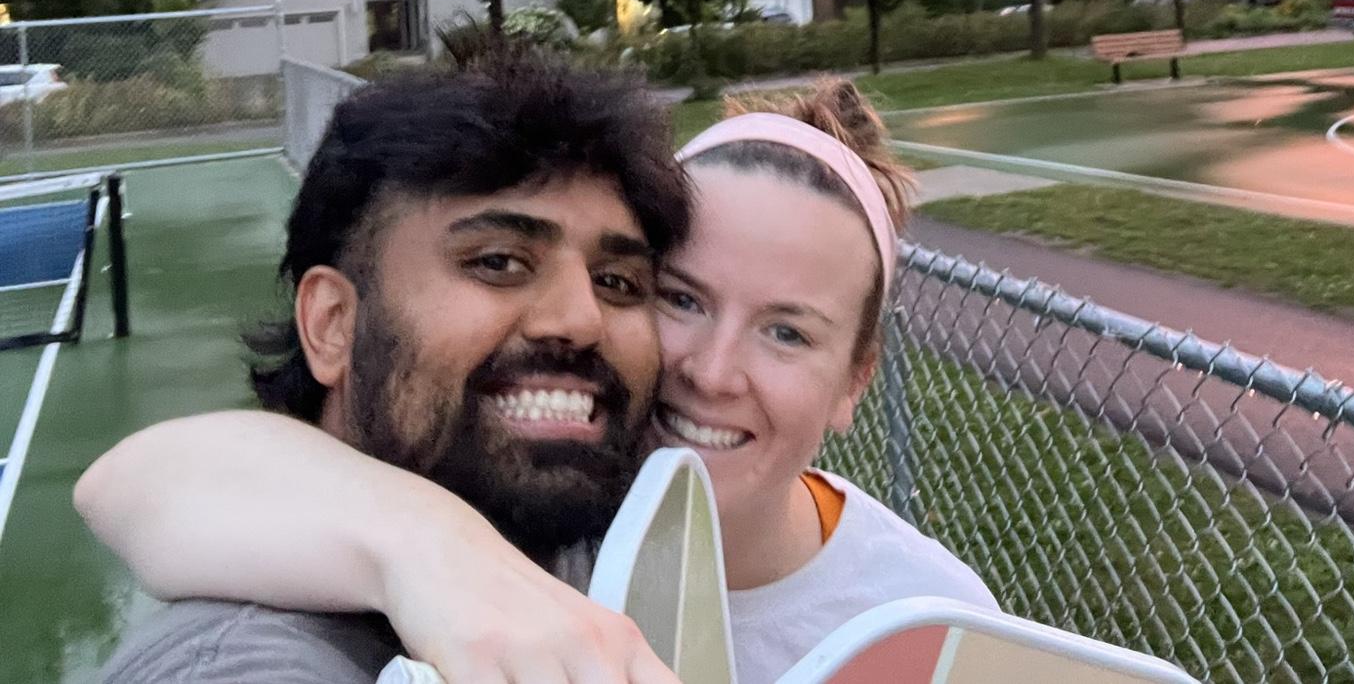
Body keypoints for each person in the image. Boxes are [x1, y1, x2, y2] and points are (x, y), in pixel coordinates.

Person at [81, 77, 997, 684]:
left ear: (856, 381)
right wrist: (430, 550)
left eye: (615, 282)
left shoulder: (563, 506)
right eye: (675, 297)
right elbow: (132, 481)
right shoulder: (268, 642)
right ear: (331, 323)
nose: (712, 373)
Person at [87, 50, 694, 684]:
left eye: (619, 281)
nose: (581, 319)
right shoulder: (253, 660)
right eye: (497, 262)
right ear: (332, 324)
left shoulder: (597, 545)